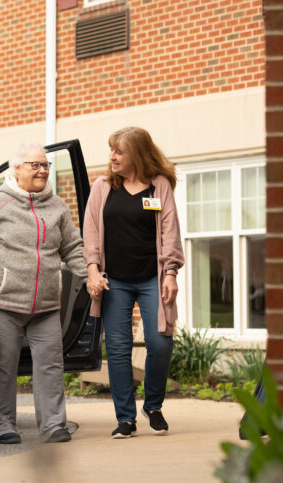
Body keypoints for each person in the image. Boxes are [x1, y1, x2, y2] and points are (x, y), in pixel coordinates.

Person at [0, 141, 88, 444]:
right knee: (3, 367)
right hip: (3, 301)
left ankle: (54, 425)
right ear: (16, 169)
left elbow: (72, 247)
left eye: (46, 165)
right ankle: (2, 425)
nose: (42, 170)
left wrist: (90, 276)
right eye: (35, 165)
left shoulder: (57, 206)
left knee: (51, 366)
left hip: (45, 305)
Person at [83, 126, 184, 439]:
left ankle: (153, 405)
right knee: (117, 349)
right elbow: (90, 231)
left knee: (160, 342)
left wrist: (170, 272)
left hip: (152, 278)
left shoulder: (159, 186)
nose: (112, 156)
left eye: (119, 151)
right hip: (115, 282)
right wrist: (92, 270)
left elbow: (169, 230)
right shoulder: (102, 187)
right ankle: (125, 418)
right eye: (111, 150)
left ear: (137, 155)